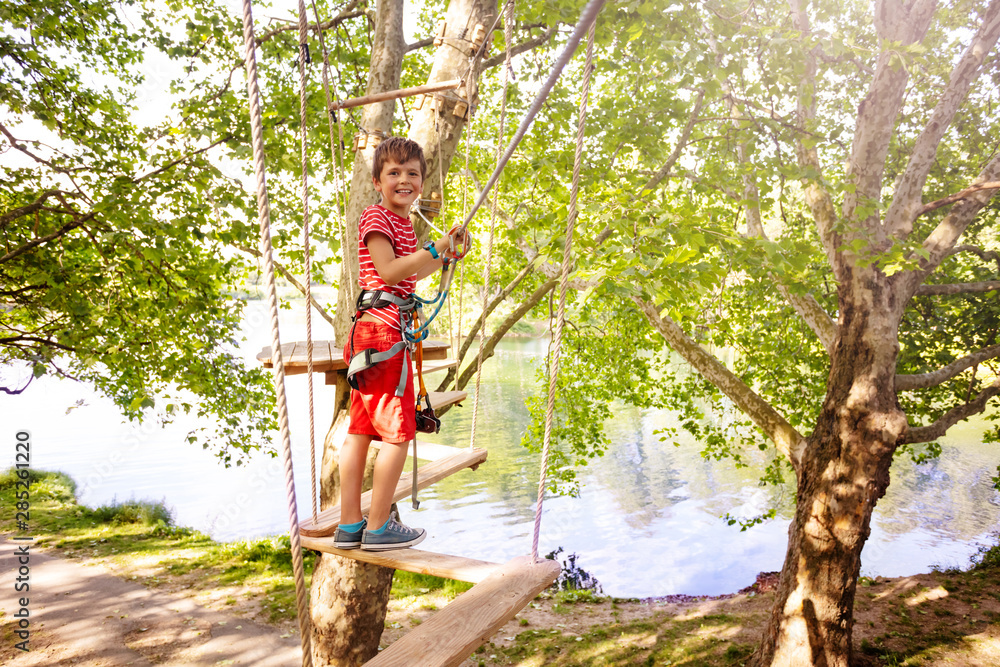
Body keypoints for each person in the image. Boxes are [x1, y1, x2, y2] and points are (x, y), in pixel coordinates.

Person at [334, 136, 461, 551]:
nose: (404, 180)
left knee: (361, 429)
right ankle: (377, 527)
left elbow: (409, 275)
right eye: (394, 173)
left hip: (377, 332)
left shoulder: (402, 224)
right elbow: (388, 273)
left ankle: (351, 525)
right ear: (377, 180)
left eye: (412, 174)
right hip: (384, 333)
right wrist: (435, 246)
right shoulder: (377, 217)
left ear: (422, 184)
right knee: (397, 435)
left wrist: (445, 256)